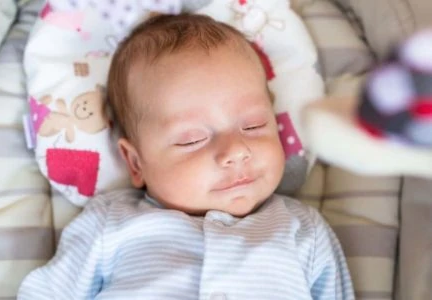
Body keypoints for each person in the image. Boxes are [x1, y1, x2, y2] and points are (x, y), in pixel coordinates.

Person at [18, 13, 354, 299]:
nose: (236, 151)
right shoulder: (111, 225)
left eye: (253, 125)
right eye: (192, 139)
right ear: (136, 163)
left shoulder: (301, 229)